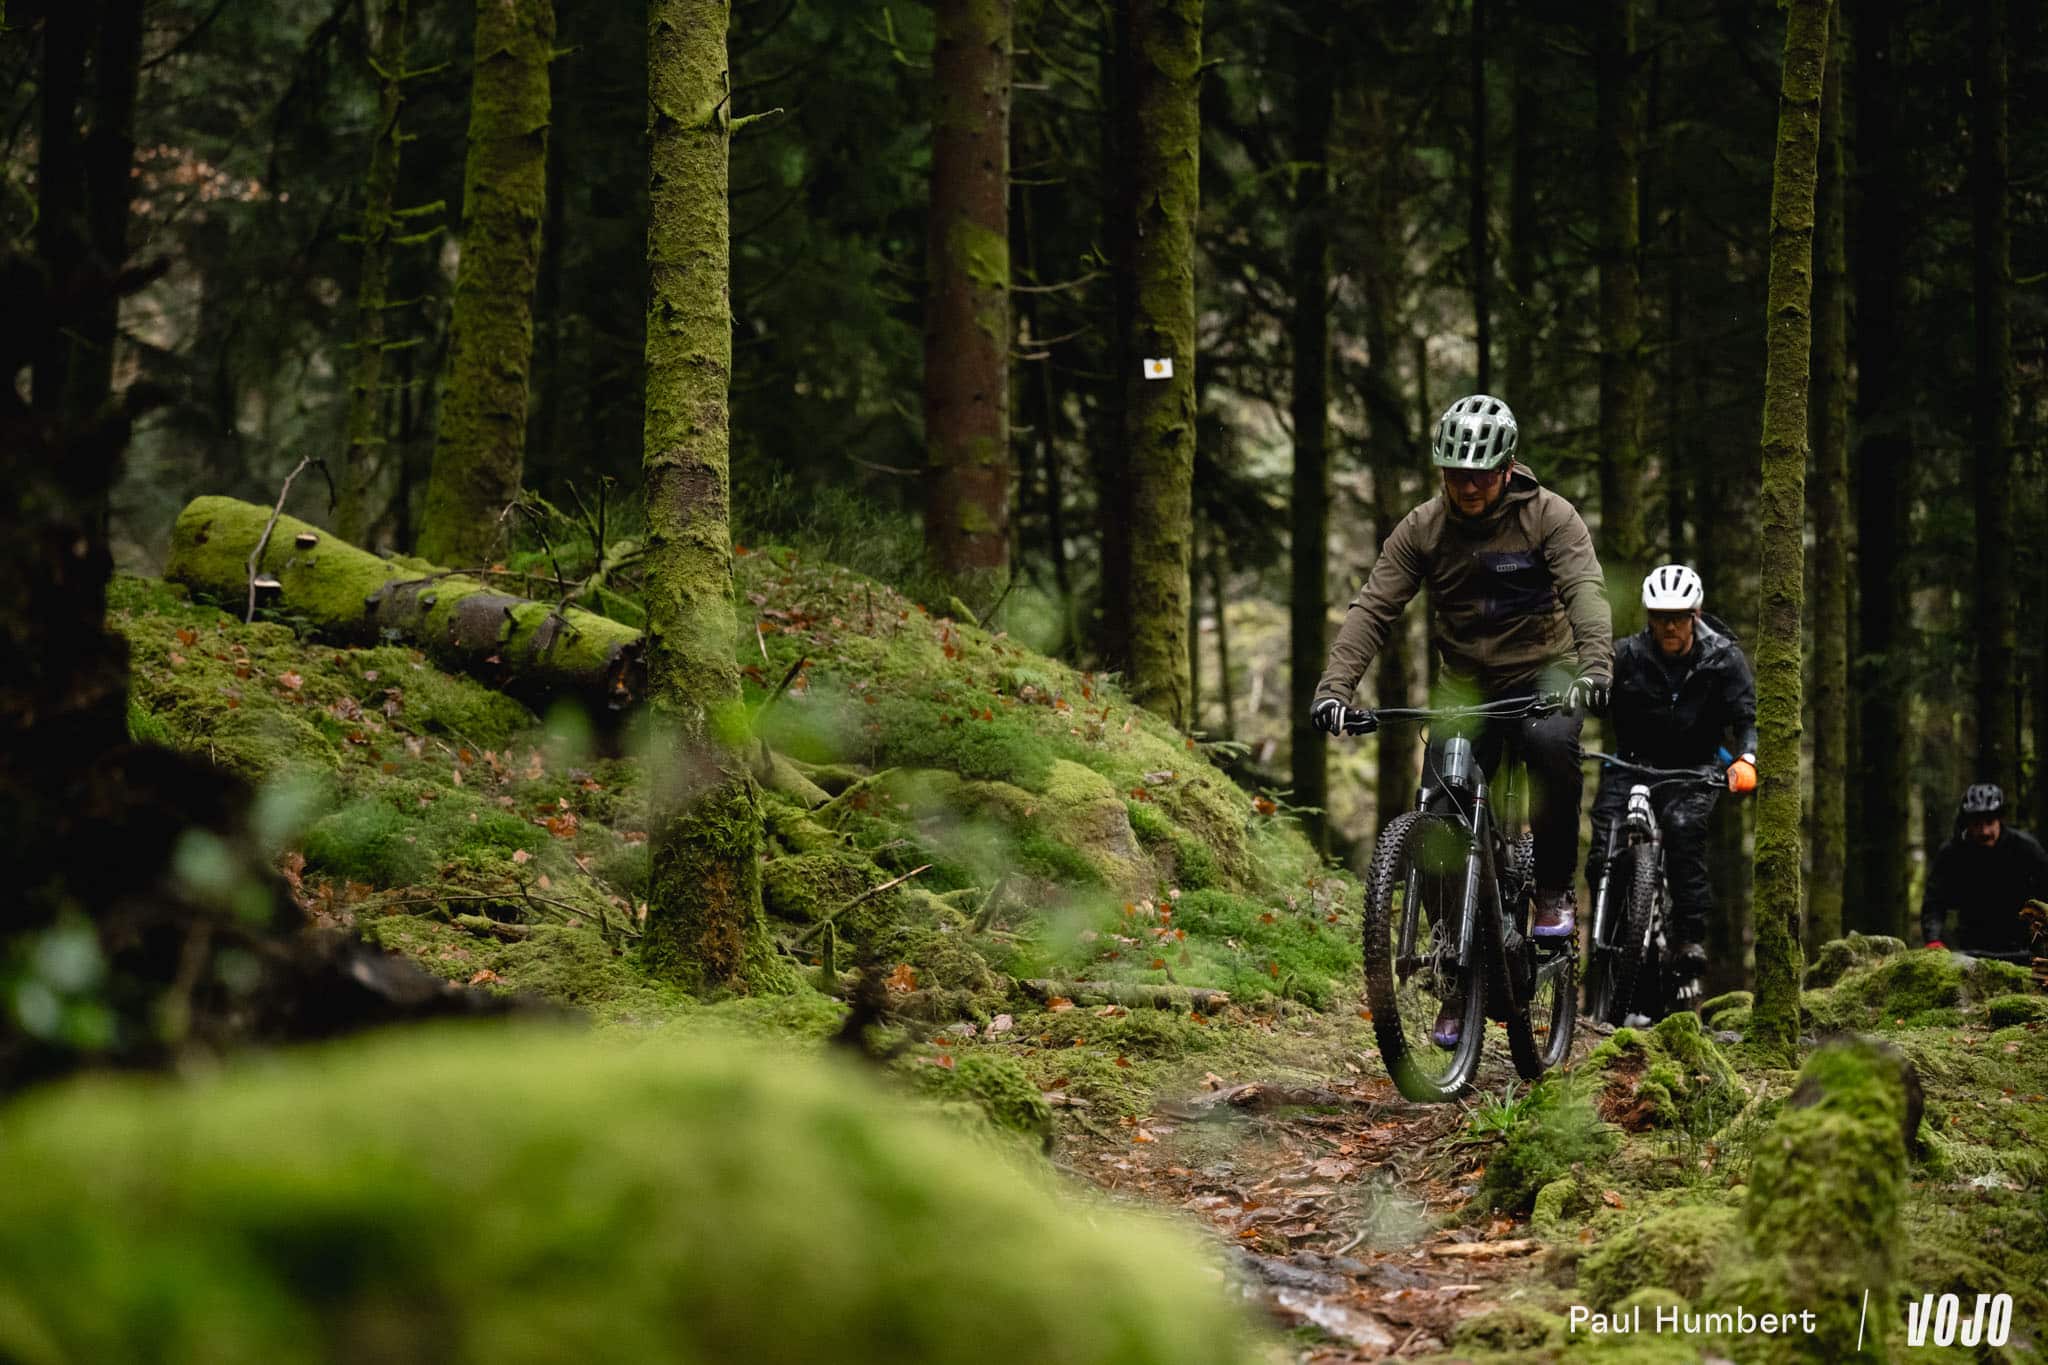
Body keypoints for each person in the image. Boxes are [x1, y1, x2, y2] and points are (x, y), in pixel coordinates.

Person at [1309, 393, 1612, 1047]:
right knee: (1439, 816)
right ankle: (1458, 976)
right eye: (1455, 475)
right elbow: (1373, 607)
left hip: (1544, 677)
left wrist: (1593, 671)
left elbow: (1585, 591)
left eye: (1479, 476)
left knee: (1553, 748)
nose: (1467, 488)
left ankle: (1553, 890)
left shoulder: (1549, 516)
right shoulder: (1423, 528)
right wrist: (1335, 689)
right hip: (1465, 688)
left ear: (1506, 468)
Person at [1586, 564, 1757, 1011]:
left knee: (1683, 830)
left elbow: (1747, 718)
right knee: (1603, 843)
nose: (1669, 627)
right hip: (1630, 764)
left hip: (1692, 770)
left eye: (1678, 617)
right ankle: (1603, 945)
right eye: (1660, 617)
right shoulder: (1626, 655)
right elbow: (1592, 696)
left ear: (1694, 615)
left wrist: (1747, 758)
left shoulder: (1722, 658)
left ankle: (1689, 939)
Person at [1920, 783, 2048, 955]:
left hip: (2022, 948)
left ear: (2000, 820)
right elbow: (1934, 900)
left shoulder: (2025, 848)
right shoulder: (1953, 853)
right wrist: (1933, 938)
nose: (1984, 831)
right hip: (1971, 950)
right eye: (1977, 824)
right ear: (1967, 823)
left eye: (1989, 822)